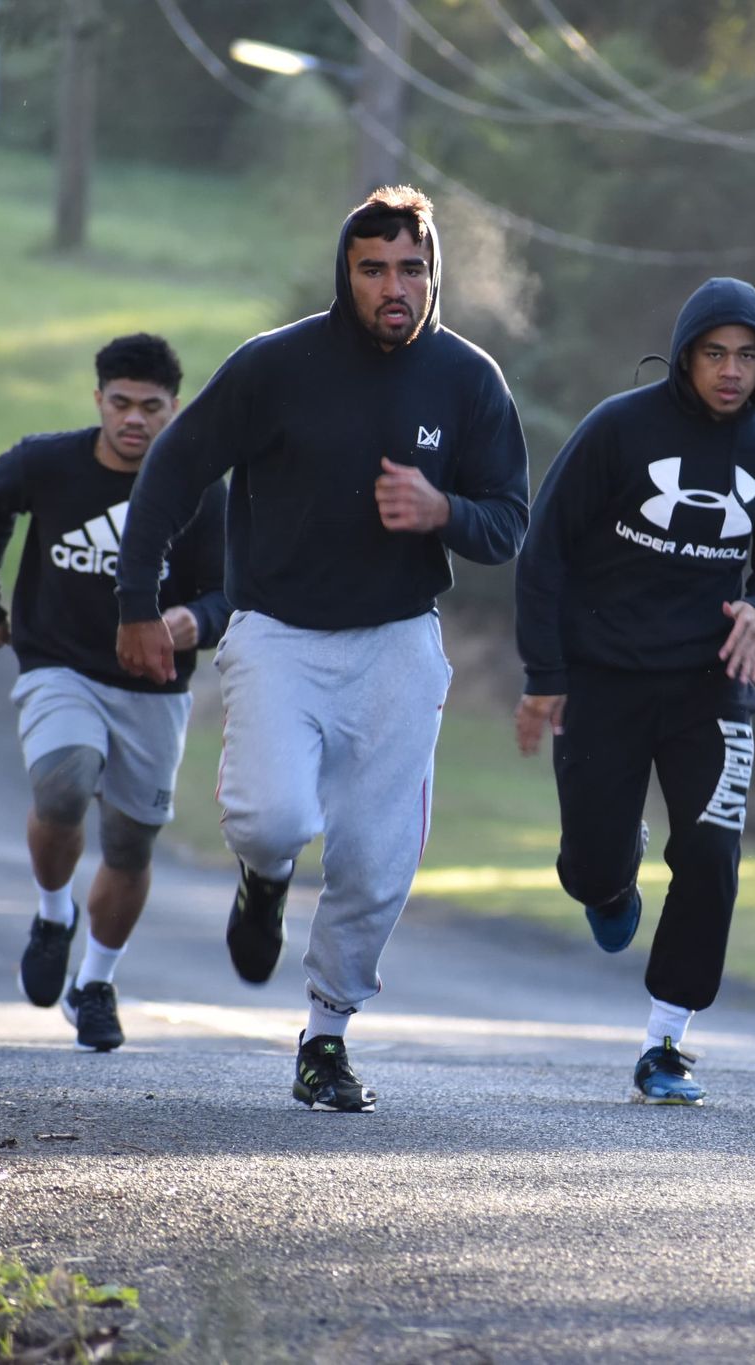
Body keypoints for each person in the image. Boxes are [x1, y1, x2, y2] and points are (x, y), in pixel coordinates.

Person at [113, 187, 530, 1113]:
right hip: (278, 636)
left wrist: (442, 511)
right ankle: (264, 881)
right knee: (273, 820)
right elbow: (177, 464)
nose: (394, 285)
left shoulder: (468, 382)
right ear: (345, 275)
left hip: (397, 643)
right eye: (372, 267)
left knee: (378, 863)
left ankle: (327, 1037)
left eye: (411, 268)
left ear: (433, 275)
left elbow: (509, 522)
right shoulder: (276, 367)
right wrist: (138, 598)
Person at [514, 277, 755, 1106]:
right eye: (716, 353)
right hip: (603, 680)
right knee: (589, 867)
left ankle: (667, 1042)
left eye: (748, 356)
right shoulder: (617, 429)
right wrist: (545, 677)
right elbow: (544, 551)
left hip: (712, 688)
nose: (731, 371)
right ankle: (613, 879)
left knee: (713, 855)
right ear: (685, 355)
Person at [0, 333, 229, 1053]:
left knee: (131, 843)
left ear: (175, 409)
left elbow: (231, 592)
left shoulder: (198, 489)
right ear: (98, 400)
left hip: (154, 689)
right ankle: (53, 915)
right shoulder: (48, 462)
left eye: (151, 406)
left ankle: (97, 982)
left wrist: (192, 620)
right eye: (120, 403)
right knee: (64, 783)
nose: (134, 419)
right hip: (59, 667)